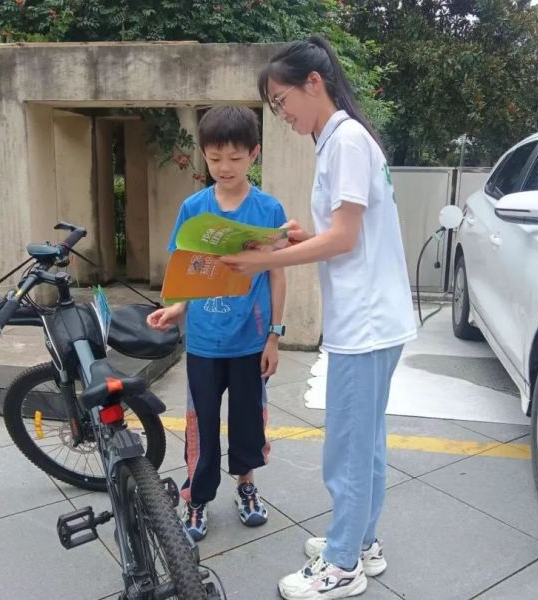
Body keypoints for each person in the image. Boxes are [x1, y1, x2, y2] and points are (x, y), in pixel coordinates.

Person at [220, 37, 416, 599]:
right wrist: (301, 238)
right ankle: (362, 542)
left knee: (349, 448)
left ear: (314, 83)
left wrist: (265, 260)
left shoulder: (345, 140)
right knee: (366, 443)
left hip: (365, 322)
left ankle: (342, 564)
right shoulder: (341, 138)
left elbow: (345, 238)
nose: (283, 116)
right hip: (374, 318)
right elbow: (346, 233)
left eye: (283, 102)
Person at [147, 106, 287, 543]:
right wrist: (177, 308)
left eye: (235, 157)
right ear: (204, 155)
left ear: (254, 154)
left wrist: (275, 336)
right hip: (204, 343)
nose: (224, 167)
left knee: (248, 423)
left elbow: (278, 275)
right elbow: (186, 269)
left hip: (250, 341)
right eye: (214, 158)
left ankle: (247, 487)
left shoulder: (268, 209)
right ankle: (197, 497)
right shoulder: (194, 209)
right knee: (201, 425)